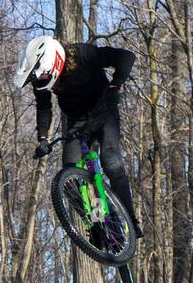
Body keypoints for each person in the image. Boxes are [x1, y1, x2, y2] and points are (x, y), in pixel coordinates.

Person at [14, 34, 140, 235]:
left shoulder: (83, 53)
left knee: (111, 162)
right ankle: (95, 223)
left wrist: (115, 85)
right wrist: (43, 139)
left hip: (104, 110)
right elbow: (44, 107)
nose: (41, 81)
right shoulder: (41, 81)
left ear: (51, 63)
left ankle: (130, 219)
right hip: (78, 121)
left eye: (42, 76)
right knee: (69, 175)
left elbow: (126, 57)